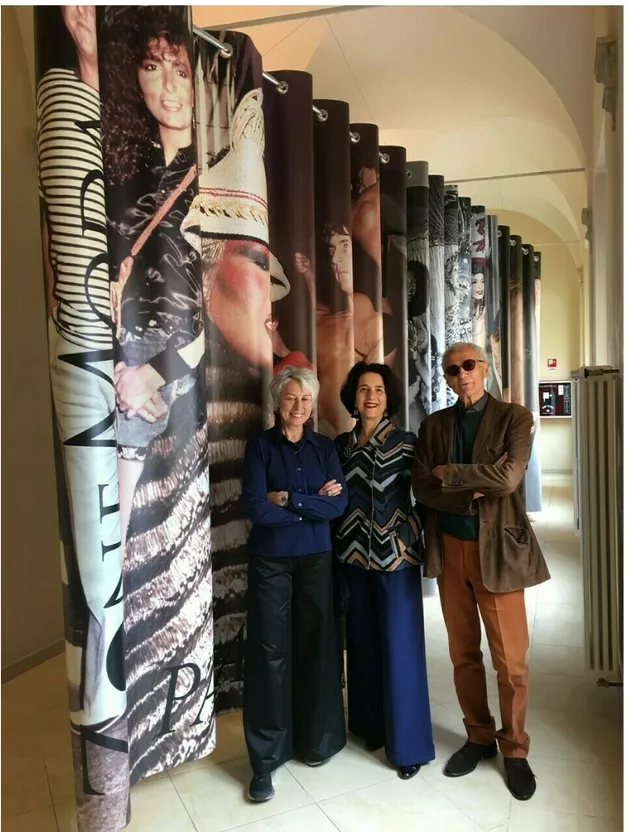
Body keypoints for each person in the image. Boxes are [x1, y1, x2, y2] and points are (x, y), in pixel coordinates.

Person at [411, 341, 550, 801]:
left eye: (468, 365)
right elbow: (422, 488)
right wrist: (468, 486)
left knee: (511, 662)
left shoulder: (515, 418)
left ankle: (514, 749)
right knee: (463, 653)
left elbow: (509, 478)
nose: (461, 374)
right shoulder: (433, 426)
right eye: (452, 370)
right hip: (451, 553)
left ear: (484, 368)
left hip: (499, 555)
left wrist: (451, 473)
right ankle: (478, 735)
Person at [99, 7, 202, 554]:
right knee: (108, 533)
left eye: (180, 70)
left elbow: (220, 318)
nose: (167, 88)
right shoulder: (124, 166)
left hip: (175, 373)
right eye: (151, 67)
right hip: (115, 362)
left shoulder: (214, 172)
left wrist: (150, 377)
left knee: (145, 538)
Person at [241, 366, 348, 802]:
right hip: (270, 562)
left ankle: (316, 741)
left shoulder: (325, 448)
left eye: (305, 399)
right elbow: (254, 508)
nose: (298, 406)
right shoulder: (258, 448)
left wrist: (289, 498)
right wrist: (312, 503)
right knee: (270, 651)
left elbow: (338, 504)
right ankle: (265, 761)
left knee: (317, 646)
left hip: (317, 560)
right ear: (276, 402)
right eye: (291, 398)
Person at [334, 362, 435, 780]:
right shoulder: (340, 446)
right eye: (362, 390)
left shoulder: (408, 443)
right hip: (352, 559)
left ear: (389, 397)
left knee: (401, 650)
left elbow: (428, 494)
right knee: (361, 646)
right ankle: (369, 726)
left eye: (377, 389)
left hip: (396, 558)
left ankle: (408, 745)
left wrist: (410, 531)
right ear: (353, 399)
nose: (370, 396)